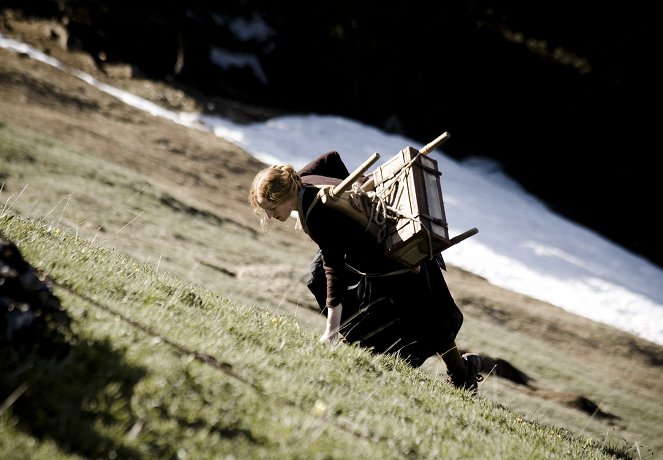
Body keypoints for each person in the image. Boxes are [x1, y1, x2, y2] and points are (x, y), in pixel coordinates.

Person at [248, 151, 482, 394]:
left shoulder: (316, 213)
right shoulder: (302, 178)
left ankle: (462, 374)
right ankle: (458, 371)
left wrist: (331, 329)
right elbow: (330, 159)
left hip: (393, 257)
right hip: (377, 252)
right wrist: (353, 200)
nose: (270, 216)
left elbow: (334, 268)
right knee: (422, 315)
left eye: (272, 208)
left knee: (426, 320)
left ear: (284, 195)